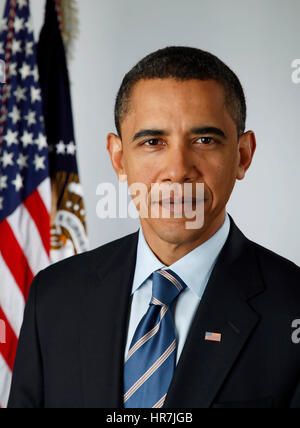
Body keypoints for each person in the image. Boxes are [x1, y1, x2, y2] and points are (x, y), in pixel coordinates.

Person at [8, 46, 300, 408]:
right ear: (119, 158)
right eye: (153, 142)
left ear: (242, 155)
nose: (177, 170)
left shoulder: (292, 307)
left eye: (204, 140)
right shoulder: (53, 298)